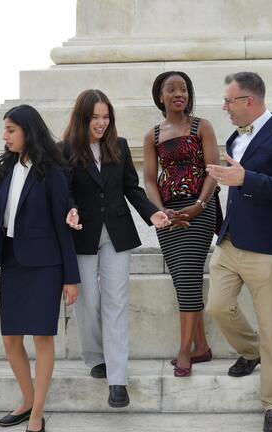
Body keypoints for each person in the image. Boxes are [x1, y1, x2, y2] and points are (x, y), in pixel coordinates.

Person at [205, 71, 272, 432]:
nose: (224, 107)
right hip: (231, 242)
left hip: (270, 248)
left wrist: (245, 178)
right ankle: (251, 351)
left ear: (249, 101)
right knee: (217, 305)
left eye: (229, 101)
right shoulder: (236, 138)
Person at [62, 89, 170, 407]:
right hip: (83, 235)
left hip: (117, 234)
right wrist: (70, 210)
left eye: (106, 117)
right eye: (95, 117)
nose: (101, 123)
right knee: (89, 301)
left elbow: (131, 188)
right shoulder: (66, 149)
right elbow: (63, 191)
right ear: (83, 117)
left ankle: (117, 380)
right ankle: (96, 356)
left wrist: (153, 212)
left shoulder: (119, 146)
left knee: (116, 302)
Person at [0, 105, 80, 432]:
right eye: (4, 130)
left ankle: (37, 413)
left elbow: (62, 225)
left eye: (10, 130)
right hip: (11, 262)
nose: (5, 136)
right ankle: (26, 399)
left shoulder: (51, 170)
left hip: (45, 266)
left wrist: (70, 277)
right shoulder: (6, 166)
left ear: (27, 130)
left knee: (42, 339)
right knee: (10, 339)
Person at [143, 71, 221, 377]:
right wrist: (161, 211)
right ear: (160, 96)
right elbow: (149, 179)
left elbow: (214, 170)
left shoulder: (202, 126)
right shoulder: (153, 135)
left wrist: (198, 205)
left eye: (184, 89)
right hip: (168, 214)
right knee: (183, 280)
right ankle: (201, 345)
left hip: (200, 209)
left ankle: (184, 351)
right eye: (172, 89)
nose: (179, 94)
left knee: (188, 276)